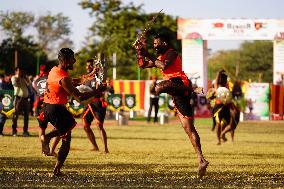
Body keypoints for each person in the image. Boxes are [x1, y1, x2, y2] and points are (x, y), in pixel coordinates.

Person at [134, 33, 209, 179]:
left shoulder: (172, 53)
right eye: (153, 44)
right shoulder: (160, 56)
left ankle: (193, 89)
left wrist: (147, 52)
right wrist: (139, 52)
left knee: (158, 87)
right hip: (177, 94)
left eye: (156, 44)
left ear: (164, 43)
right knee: (188, 128)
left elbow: (163, 65)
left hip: (180, 83)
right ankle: (201, 160)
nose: (154, 46)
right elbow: (142, 65)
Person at [41, 48, 104, 176]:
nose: (74, 61)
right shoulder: (62, 77)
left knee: (66, 132)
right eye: (72, 59)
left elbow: (73, 82)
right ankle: (55, 164)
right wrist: (97, 91)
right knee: (66, 139)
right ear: (65, 60)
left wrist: (91, 74)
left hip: (47, 107)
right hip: (56, 108)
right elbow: (79, 97)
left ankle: (56, 168)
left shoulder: (55, 70)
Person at [81, 58, 109, 153]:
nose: (88, 67)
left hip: (98, 103)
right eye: (87, 65)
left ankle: (105, 149)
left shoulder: (99, 77)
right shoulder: (85, 78)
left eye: (90, 65)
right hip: (88, 103)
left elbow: (104, 87)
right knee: (85, 126)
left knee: (99, 126)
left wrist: (102, 85)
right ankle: (95, 146)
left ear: (95, 67)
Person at [11, 67, 31, 137]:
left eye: (21, 71)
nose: (20, 72)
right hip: (18, 98)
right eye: (18, 71)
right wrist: (18, 77)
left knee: (26, 116)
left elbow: (29, 84)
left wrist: (26, 78)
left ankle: (25, 131)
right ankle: (14, 131)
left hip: (26, 99)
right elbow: (15, 84)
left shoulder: (24, 78)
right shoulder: (14, 77)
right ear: (16, 71)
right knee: (15, 115)